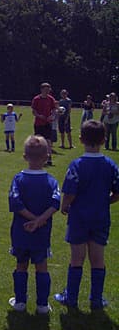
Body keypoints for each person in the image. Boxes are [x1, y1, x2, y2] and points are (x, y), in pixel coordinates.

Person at [54, 120, 119, 310]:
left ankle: (71, 297)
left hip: (79, 217)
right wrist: (105, 201)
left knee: (77, 258)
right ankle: (96, 299)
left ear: (81, 139)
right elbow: (117, 192)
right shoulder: (110, 165)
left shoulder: (77, 165)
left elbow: (70, 192)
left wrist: (65, 206)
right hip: (100, 217)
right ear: (103, 140)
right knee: (98, 258)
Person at [8, 135, 60, 314]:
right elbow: (56, 204)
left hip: (21, 232)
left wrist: (32, 219)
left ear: (25, 156)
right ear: (47, 156)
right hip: (41, 233)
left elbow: (15, 203)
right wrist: (39, 221)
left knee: (21, 265)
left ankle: (20, 302)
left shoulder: (18, 179)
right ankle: (42, 305)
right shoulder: (51, 181)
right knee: (42, 266)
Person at [31, 82, 56, 166]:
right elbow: (33, 112)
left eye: (48, 89)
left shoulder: (51, 99)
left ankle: (49, 158)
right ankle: (38, 158)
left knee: (48, 141)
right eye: (46, 89)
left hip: (47, 123)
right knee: (38, 141)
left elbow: (54, 110)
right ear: (42, 90)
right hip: (38, 123)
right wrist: (39, 116)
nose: (47, 91)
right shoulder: (36, 99)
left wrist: (52, 116)